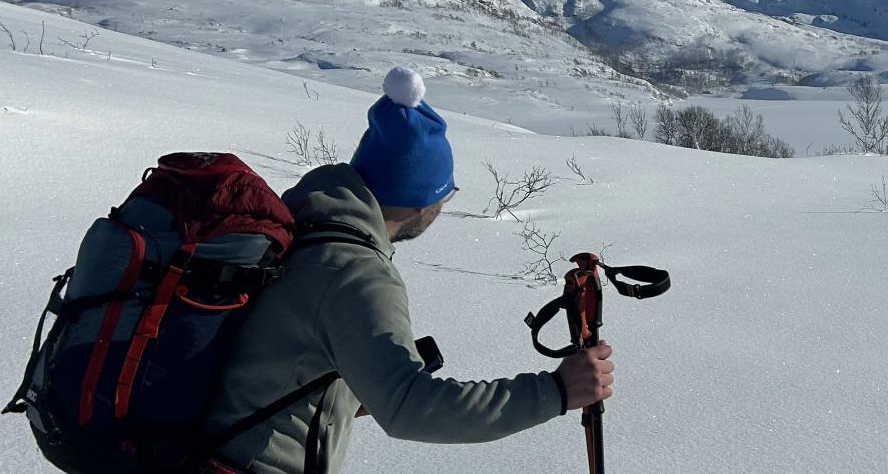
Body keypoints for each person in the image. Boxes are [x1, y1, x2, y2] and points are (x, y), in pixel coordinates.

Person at [202, 67, 614, 474]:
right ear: (421, 200)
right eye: (445, 194)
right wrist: (556, 391)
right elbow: (412, 410)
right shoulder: (353, 273)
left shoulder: (303, 222)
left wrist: (356, 380)